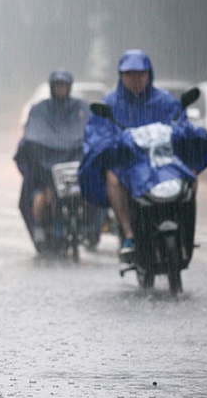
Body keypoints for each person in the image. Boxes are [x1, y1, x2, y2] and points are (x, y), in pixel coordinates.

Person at [79, 50, 184, 261]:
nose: (135, 79)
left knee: (188, 177)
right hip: (127, 166)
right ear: (121, 76)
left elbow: (180, 124)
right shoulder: (110, 104)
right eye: (129, 75)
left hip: (161, 164)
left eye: (140, 74)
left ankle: (184, 228)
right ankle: (129, 233)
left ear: (149, 74)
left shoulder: (165, 101)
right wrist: (115, 142)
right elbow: (98, 133)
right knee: (111, 178)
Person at [15, 69, 92, 253]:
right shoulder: (40, 109)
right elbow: (30, 141)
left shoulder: (79, 108)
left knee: (94, 194)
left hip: (74, 173)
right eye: (57, 85)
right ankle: (39, 228)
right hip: (44, 173)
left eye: (64, 85)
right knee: (37, 198)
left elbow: (89, 133)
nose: (61, 89)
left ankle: (90, 229)